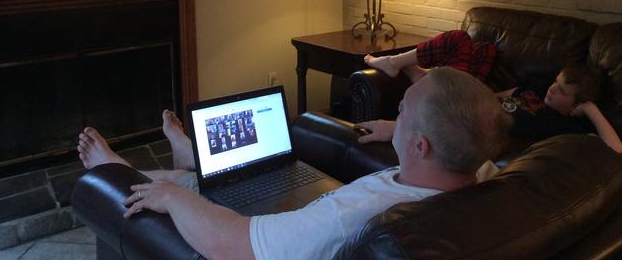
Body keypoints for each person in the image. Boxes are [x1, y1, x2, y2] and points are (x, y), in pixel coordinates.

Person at [78, 67, 511, 260]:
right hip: (303, 217)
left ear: (421, 146)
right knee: (204, 178)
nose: (394, 117)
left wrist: (171, 199)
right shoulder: (486, 175)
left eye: (401, 113)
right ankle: (190, 160)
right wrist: (387, 129)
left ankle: (116, 171)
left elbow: (235, 247)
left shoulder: (352, 219)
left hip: (253, 241)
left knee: (176, 189)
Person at [364, 30, 622, 152]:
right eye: (556, 81)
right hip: (478, 98)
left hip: (471, 116)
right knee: (461, 39)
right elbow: (504, 94)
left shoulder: (566, 125)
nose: (553, 89)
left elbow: (616, 150)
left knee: (448, 61)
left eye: (562, 91)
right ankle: (403, 66)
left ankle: (410, 70)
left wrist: (590, 110)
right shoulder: (543, 87)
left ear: (575, 108)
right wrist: (475, 93)